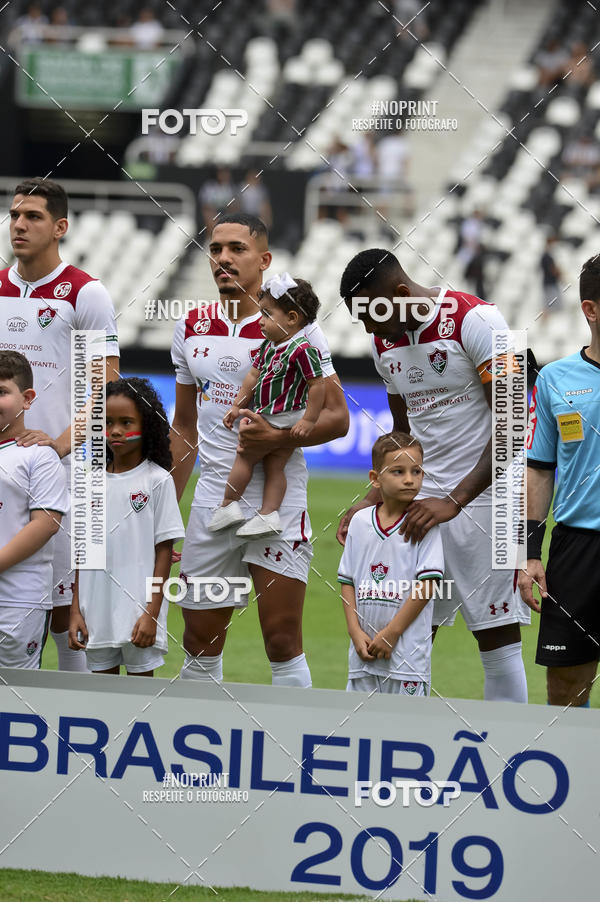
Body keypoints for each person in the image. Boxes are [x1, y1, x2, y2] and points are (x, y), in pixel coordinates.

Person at [338, 248, 529, 703]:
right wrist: (374, 495)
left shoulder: (479, 321)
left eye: (372, 317)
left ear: (401, 294)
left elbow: (514, 421)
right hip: (420, 500)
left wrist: (456, 500)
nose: (368, 331)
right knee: (407, 629)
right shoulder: (384, 340)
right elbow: (402, 433)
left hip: (493, 499)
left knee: (496, 636)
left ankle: (504, 754)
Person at [170, 213, 348, 688]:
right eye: (215, 249)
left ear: (264, 260)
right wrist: (164, 511)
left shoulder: (296, 329)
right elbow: (184, 425)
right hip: (215, 497)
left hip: (279, 498)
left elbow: (338, 418)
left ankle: (295, 755)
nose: (223, 258)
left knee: (282, 640)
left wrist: (278, 438)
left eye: (237, 249)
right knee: (199, 640)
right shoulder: (190, 324)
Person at [1, 178, 120, 671]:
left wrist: (58, 446)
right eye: (14, 215)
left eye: (33, 216)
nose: (20, 224)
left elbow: (104, 387)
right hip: (7, 471)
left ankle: (77, 735)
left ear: (61, 227)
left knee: (69, 613)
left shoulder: (85, 293)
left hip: (72, 470)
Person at [519, 254, 600, 707]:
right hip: (576, 550)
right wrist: (530, 553)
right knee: (566, 689)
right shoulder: (554, 379)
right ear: (591, 309)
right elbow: (539, 468)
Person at [69, 378, 184, 676]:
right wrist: (75, 610)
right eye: (107, 422)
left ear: (145, 426)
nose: (116, 431)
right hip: (95, 612)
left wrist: (152, 613)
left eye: (126, 422)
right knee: (101, 702)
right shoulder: (89, 481)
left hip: (138, 614)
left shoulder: (158, 480)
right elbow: (84, 552)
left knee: (139, 701)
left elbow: (164, 554)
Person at [209, 274, 325, 537]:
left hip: (283, 416)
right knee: (275, 465)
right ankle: (269, 514)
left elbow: (317, 385)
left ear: (292, 318)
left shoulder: (302, 349)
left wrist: (308, 420)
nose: (261, 321)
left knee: (245, 455)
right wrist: (238, 405)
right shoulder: (270, 346)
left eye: (267, 315)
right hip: (269, 413)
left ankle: (229, 505)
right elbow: (253, 376)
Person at [338, 432, 443, 695]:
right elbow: (347, 580)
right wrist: (354, 630)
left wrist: (392, 633)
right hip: (363, 655)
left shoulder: (425, 525)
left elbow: (427, 585)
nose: (409, 479)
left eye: (416, 471)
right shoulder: (360, 522)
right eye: (398, 471)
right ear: (375, 479)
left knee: (405, 731)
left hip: (407, 659)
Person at [0, 352, 68, 669]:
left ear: (27, 399)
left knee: (16, 701)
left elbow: (46, 525)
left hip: (17, 601)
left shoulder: (39, 456)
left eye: (1, 392)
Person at [540, 235, 563, 317]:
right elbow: (553, 270)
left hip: (551, 284)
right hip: (550, 284)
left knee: (551, 306)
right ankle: (543, 325)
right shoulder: (546, 256)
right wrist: (561, 276)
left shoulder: (548, 256)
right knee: (549, 306)